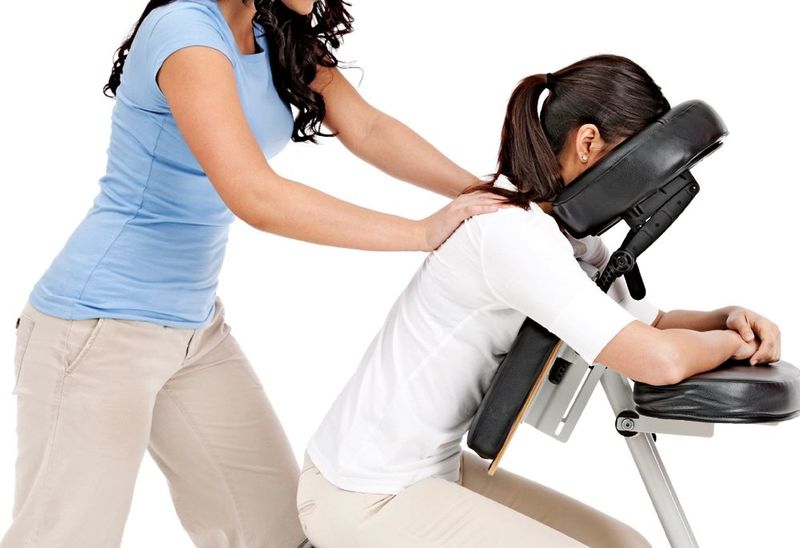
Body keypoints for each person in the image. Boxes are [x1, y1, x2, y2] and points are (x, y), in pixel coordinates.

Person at [3, 1, 506, 547]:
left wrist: (492, 195)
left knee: (279, 534)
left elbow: (367, 126)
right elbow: (255, 195)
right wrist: (420, 233)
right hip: (98, 330)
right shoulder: (185, 31)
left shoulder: (270, 32)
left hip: (193, 331)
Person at [296, 54, 782, 548]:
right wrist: (732, 345)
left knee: (626, 545)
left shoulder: (569, 237)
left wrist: (726, 319)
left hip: (430, 472)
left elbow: (650, 324)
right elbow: (657, 360)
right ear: (588, 143)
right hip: (363, 494)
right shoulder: (514, 236)